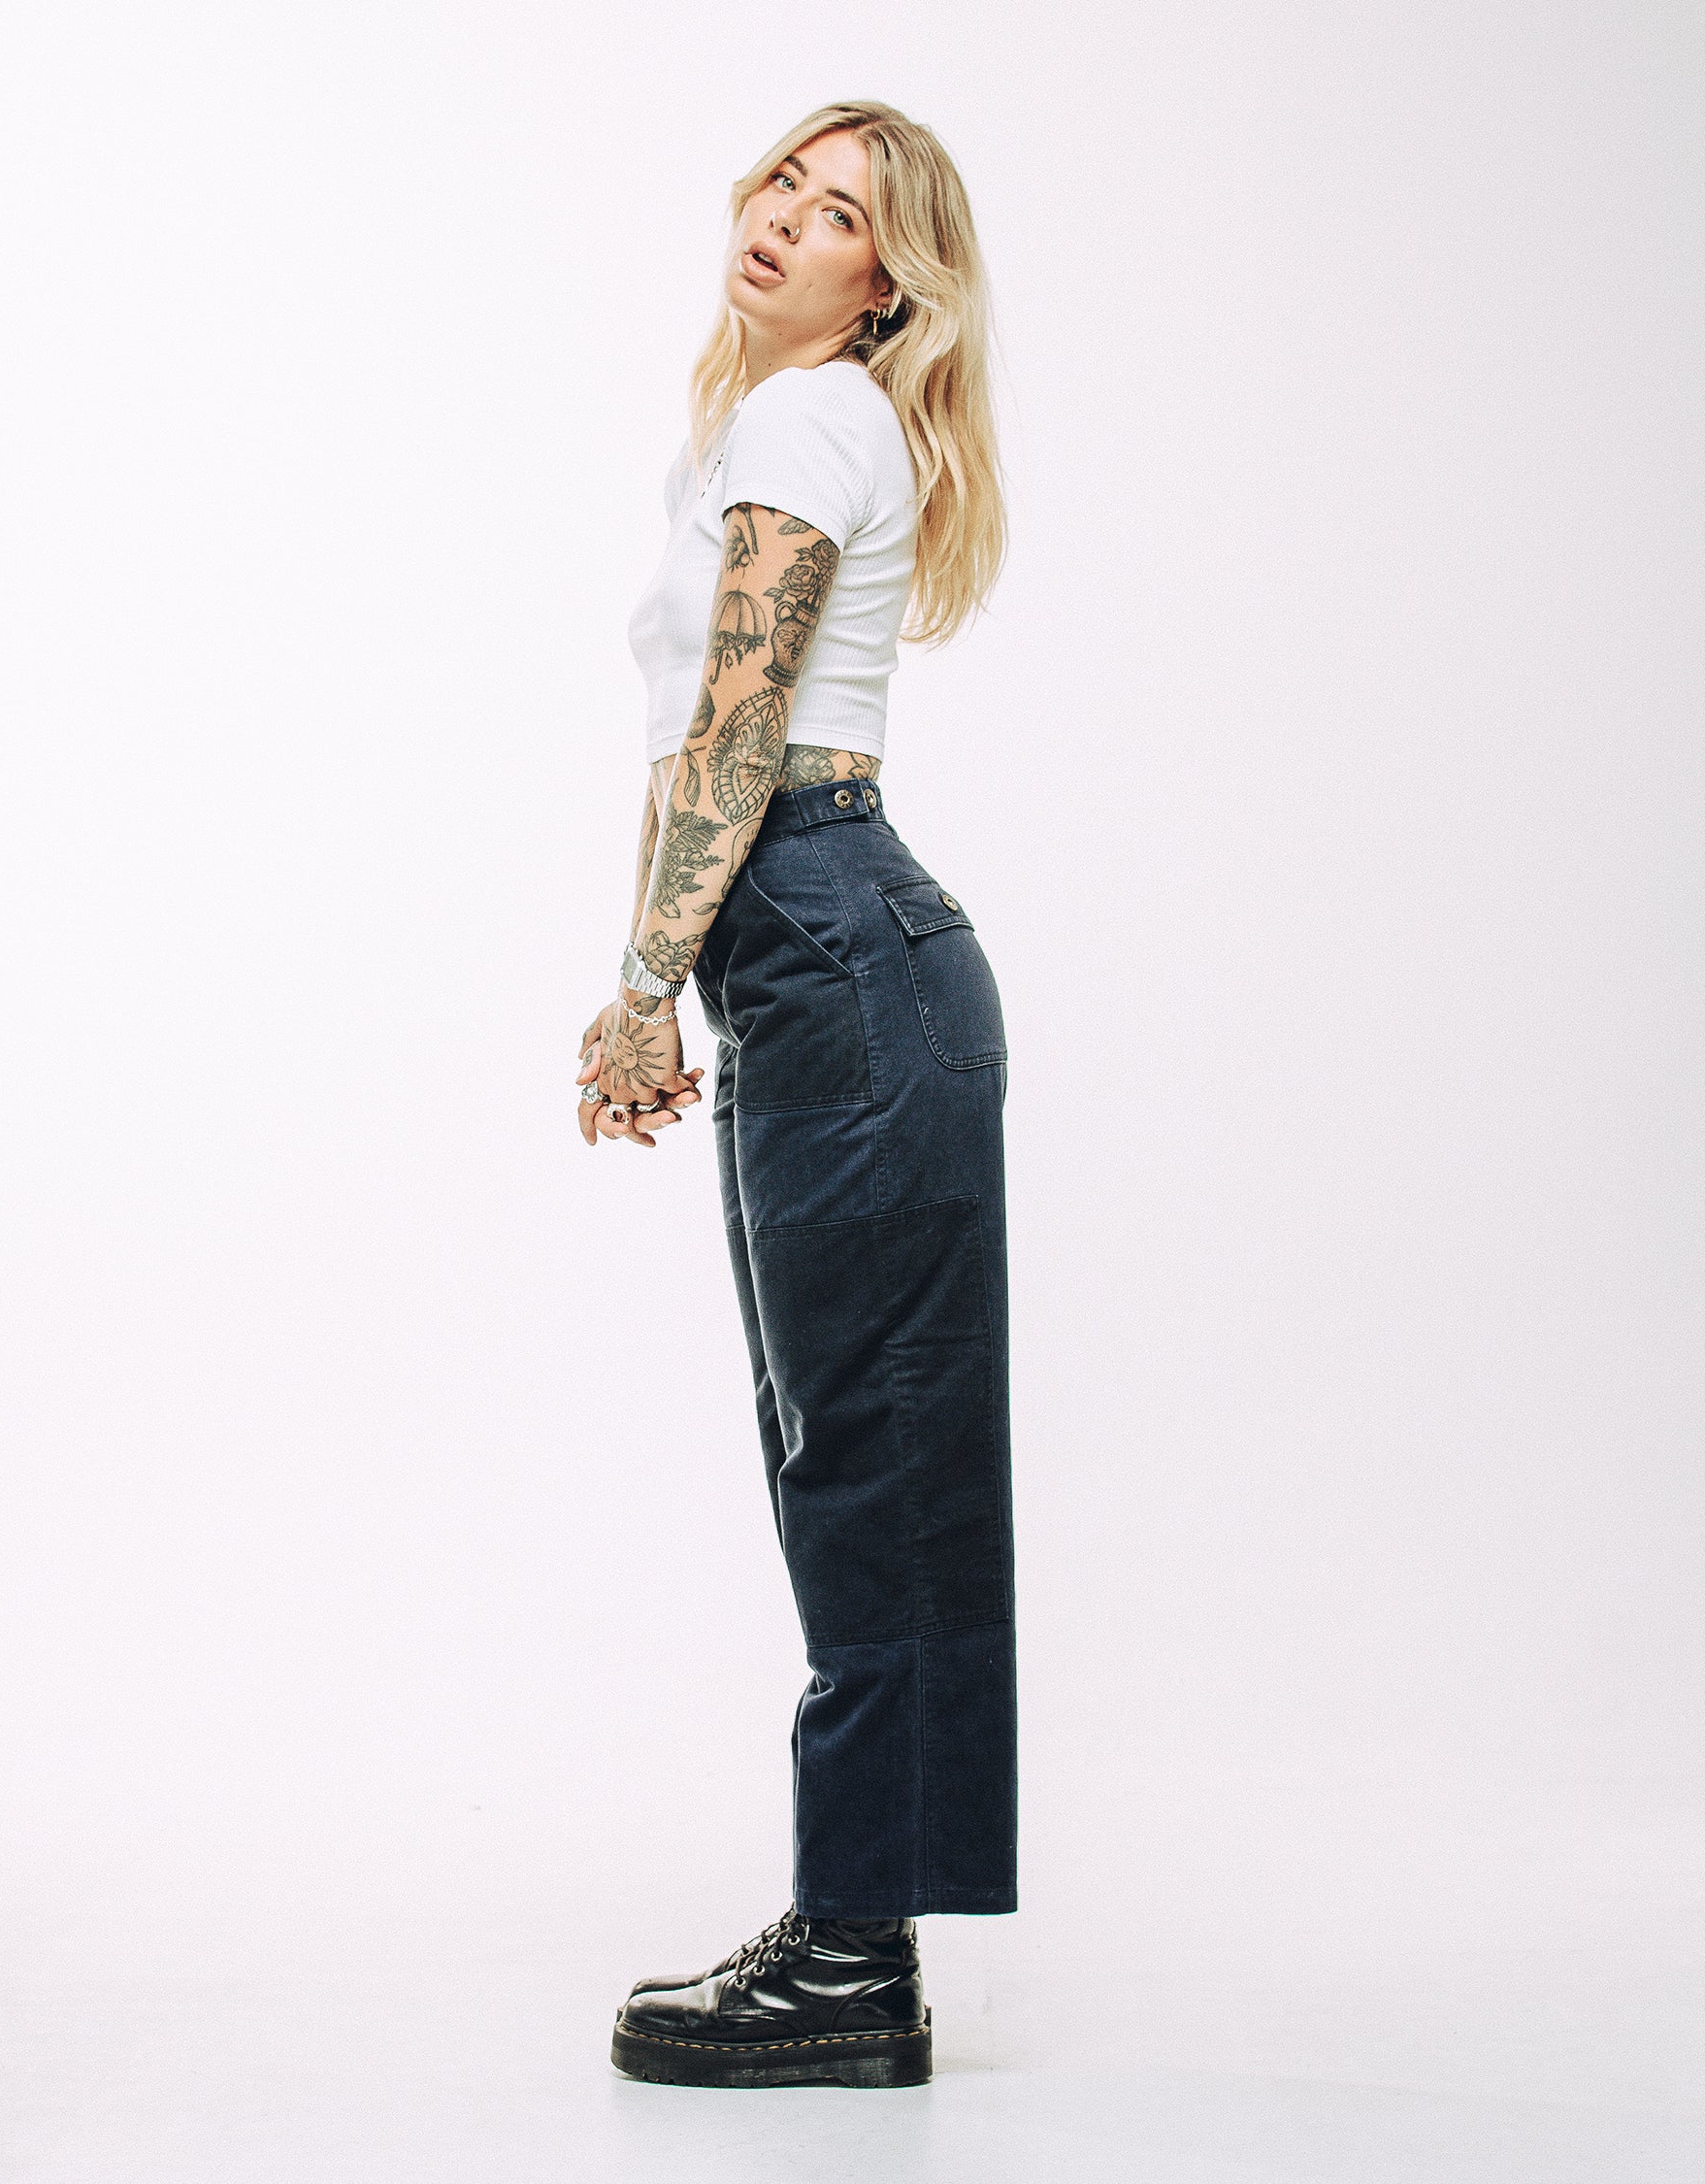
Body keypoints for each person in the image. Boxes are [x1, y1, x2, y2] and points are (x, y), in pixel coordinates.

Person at [576, 101, 1013, 2091]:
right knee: (847, 1447)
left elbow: (743, 728)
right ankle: (858, 1935)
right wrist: (669, 977)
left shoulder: (814, 418)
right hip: (810, 956)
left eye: (840, 215)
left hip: (835, 941)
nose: (785, 220)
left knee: (871, 1462)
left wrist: (639, 985)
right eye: (784, 182)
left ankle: (851, 1953)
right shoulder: (761, 425)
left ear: (885, 286)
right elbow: (698, 733)